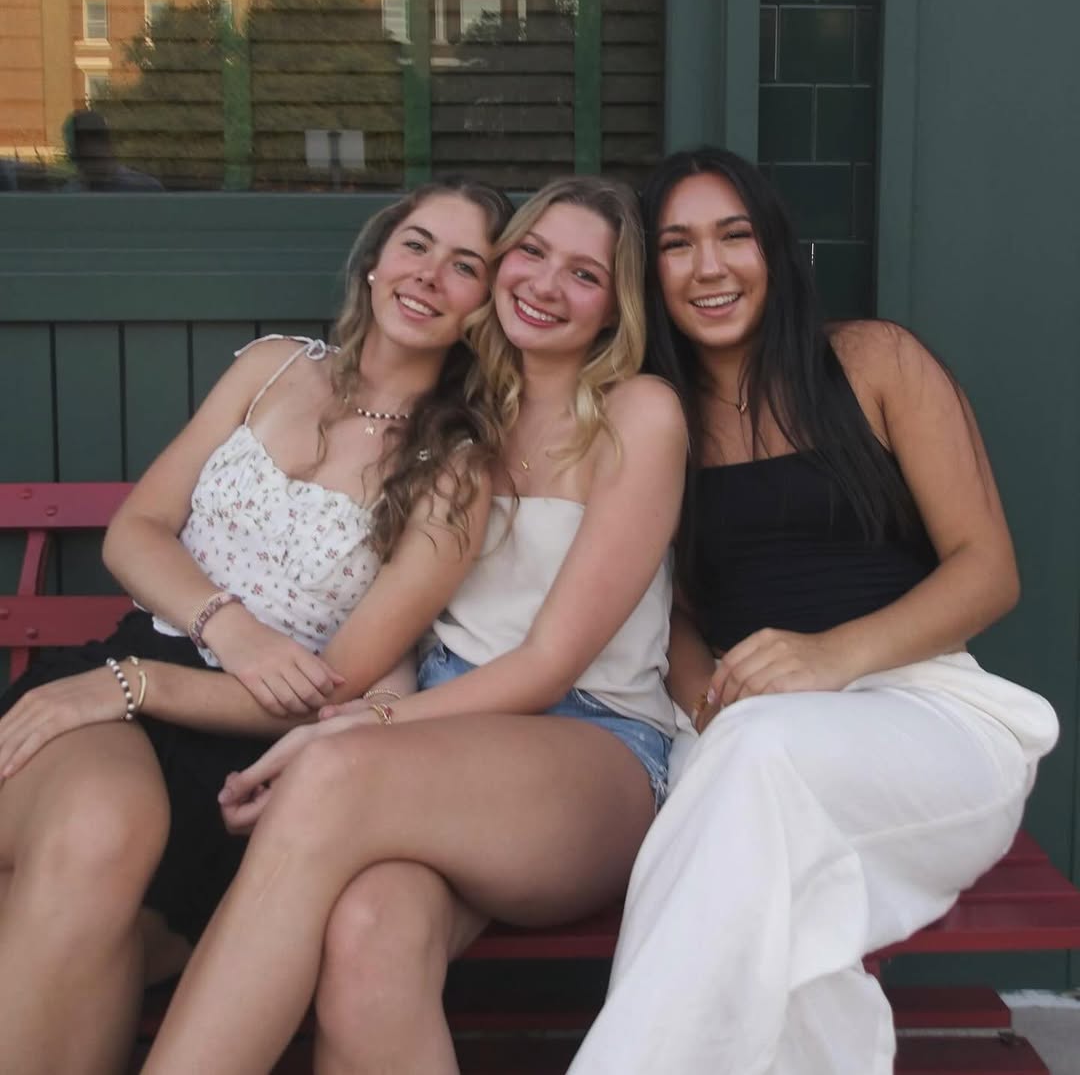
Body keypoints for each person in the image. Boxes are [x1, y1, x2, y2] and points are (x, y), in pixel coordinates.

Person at [140, 176, 687, 1075]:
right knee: (367, 939)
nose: (547, 285)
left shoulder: (640, 414)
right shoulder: (459, 419)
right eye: (532, 253)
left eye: (585, 275)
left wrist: (358, 726)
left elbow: (550, 663)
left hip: (591, 744)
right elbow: (402, 614)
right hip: (439, 740)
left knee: (332, 776)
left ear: (615, 309)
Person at [0, 178, 513, 1075]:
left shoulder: (456, 472)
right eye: (416, 244)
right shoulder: (273, 366)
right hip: (125, 679)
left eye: (465, 265)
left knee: (90, 930)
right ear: (376, 259)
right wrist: (223, 628)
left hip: (248, 749)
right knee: (98, 827)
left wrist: (137, 686)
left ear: (484, 309)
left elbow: (333, 688)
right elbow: (136, 529)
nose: (430, 275)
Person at [565, 148, 1059, 1075]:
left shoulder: (874, 361)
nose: (709, 267)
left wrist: (832, 657)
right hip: (750, 731)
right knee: (783, 911)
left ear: (775, 248)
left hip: (930, 719)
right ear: (649, 273)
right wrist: (708, 703)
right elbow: (669, 607)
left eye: (734, 236)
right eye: (677, 245)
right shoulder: (653, 416)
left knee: (752, 777)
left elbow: (988, 572)